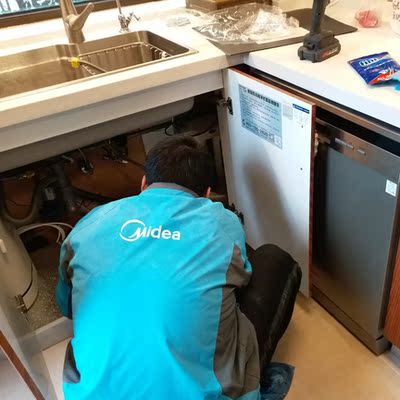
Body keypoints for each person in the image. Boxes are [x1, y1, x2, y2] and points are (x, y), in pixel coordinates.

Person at [56, 136, 301, 400]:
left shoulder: (92, 221)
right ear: (207, 194)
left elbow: (67, 306)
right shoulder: (222, 221)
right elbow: (242, 279)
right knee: (273, 260)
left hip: (88, 395)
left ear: (143, 183)